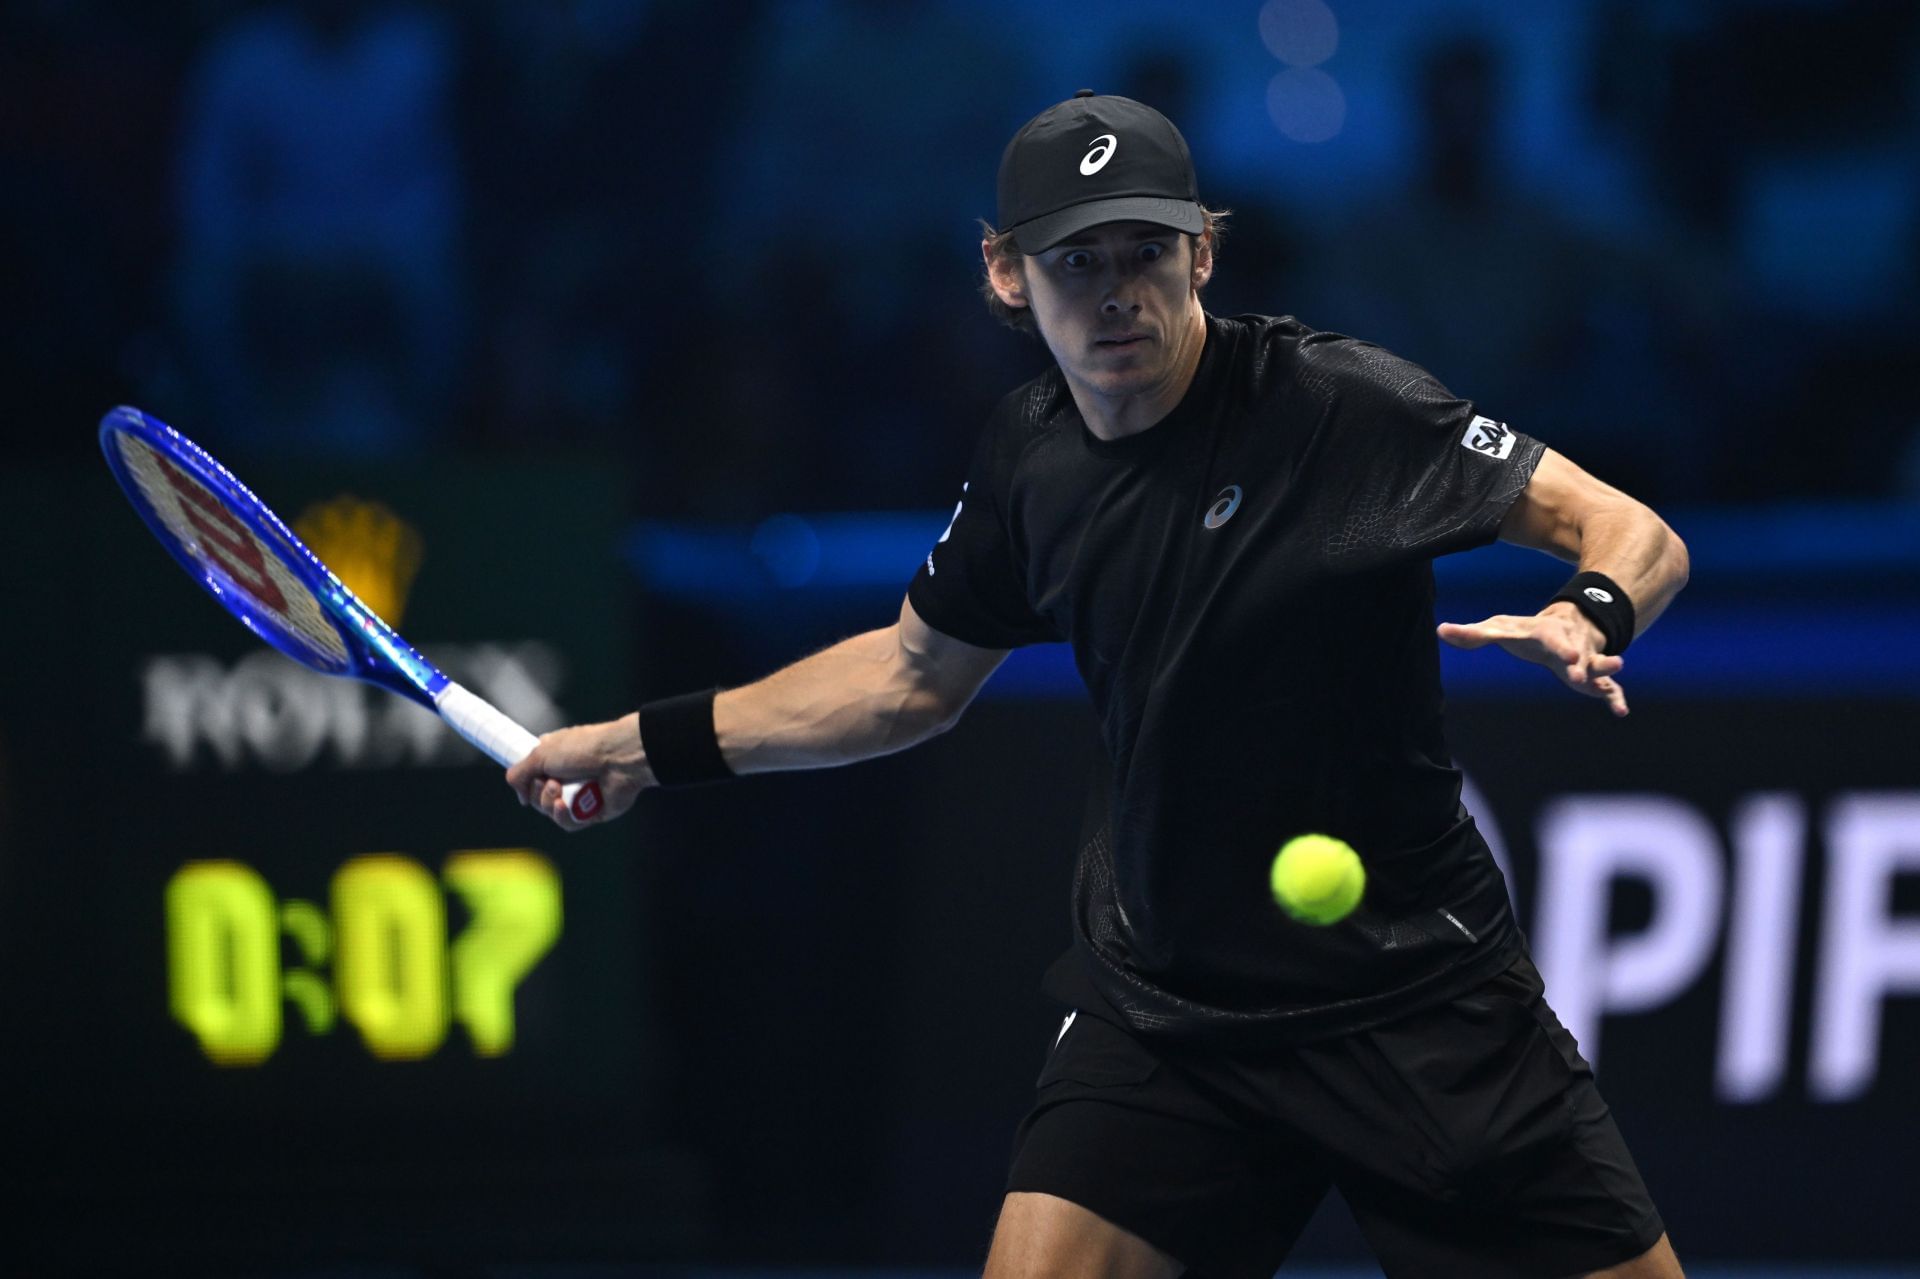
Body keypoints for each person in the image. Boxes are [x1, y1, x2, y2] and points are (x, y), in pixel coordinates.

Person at [508, 91, 1691, 1279]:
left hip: (1421, 1003)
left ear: (1202, 254)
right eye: (1078, 260)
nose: (1118, 291)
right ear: (1006, 273)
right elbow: (910, 677)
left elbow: (1629, 529)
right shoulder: (1030, 458)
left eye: (1146, 252)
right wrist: (636, 747)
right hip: (1171, 1021)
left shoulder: (1340, 406)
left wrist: (1588, 610)